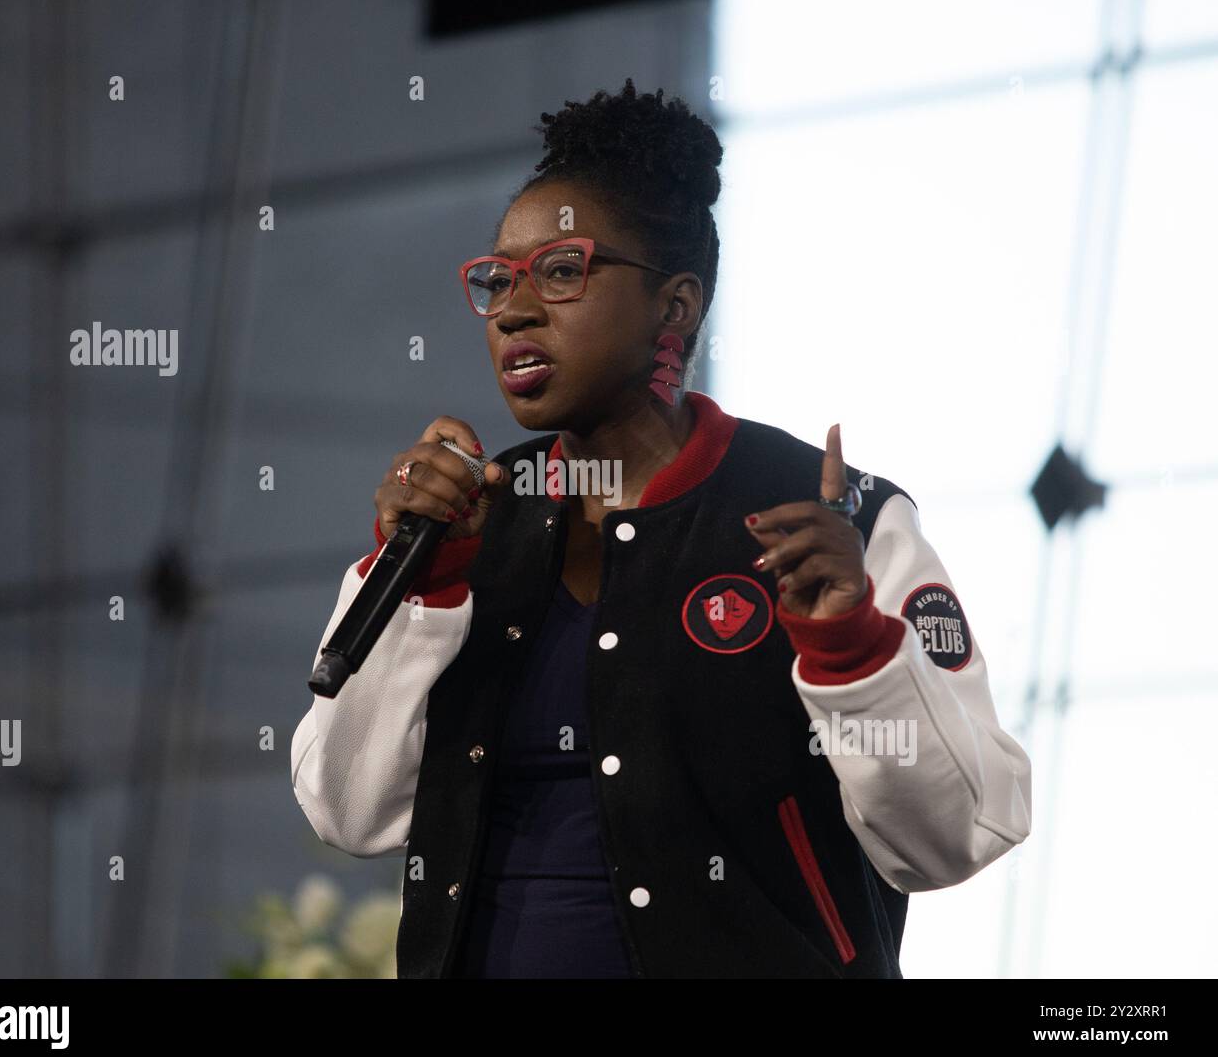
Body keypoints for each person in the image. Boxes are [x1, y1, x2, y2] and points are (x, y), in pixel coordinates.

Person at [291, 79, 1032, 979]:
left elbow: (958, 833)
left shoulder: (836, 516)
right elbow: (347, 809)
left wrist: (850, 648)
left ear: (674, 307)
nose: (515, 310)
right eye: (498, 280)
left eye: (562, 270)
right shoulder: (459, 527)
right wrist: (427, 590)